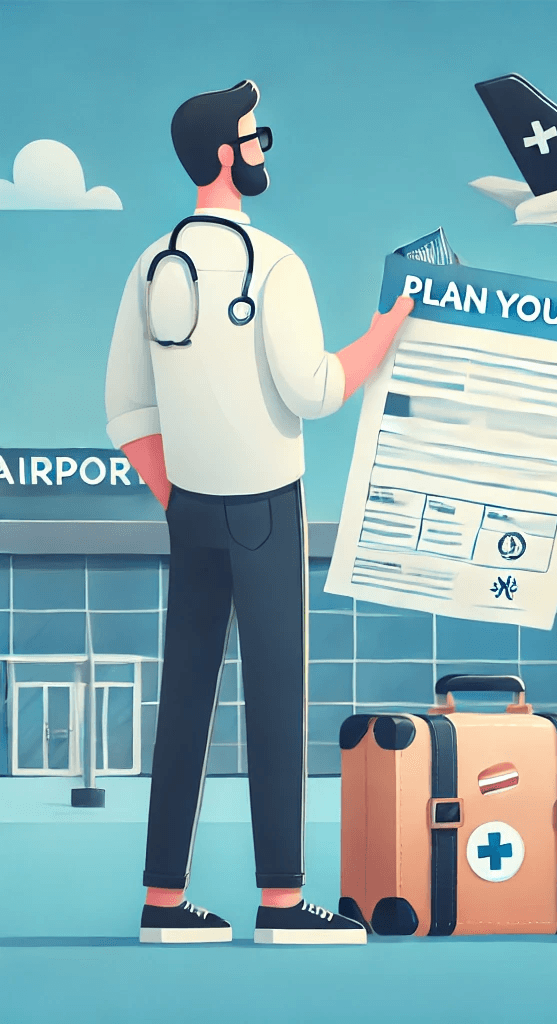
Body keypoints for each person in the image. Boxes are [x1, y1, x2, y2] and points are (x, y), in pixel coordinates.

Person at [104, 80, 413, 945]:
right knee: (274, 698)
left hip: (191, 510)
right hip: (267, 510)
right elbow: (313, 391)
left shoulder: (151, 265)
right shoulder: (274, 265)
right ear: (227, 156)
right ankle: (281, 904)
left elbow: (125, 411)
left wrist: (178, 497)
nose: (264, 148)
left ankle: (163, 902)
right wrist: (386, 331)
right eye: (254, 136)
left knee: (185, 702)